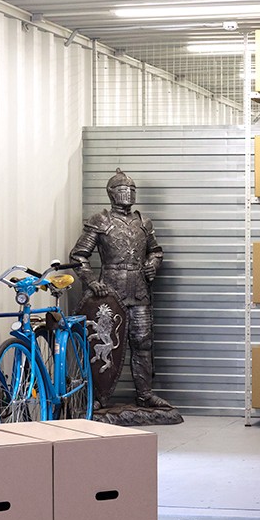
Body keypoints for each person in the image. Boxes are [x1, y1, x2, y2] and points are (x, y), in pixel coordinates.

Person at [69, 169, 171, 411]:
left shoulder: (143, 222)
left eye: (132, 189)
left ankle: (144, 395)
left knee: (143, 342)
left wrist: (152, 264)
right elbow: (79, 255)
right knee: (105, 346)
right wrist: (91, 281)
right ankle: (100, 396)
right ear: (111, 193)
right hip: (109, 295)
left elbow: (155, 251)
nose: (128, 193)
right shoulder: (100, 221)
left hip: (139, 291)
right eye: (123, 189)